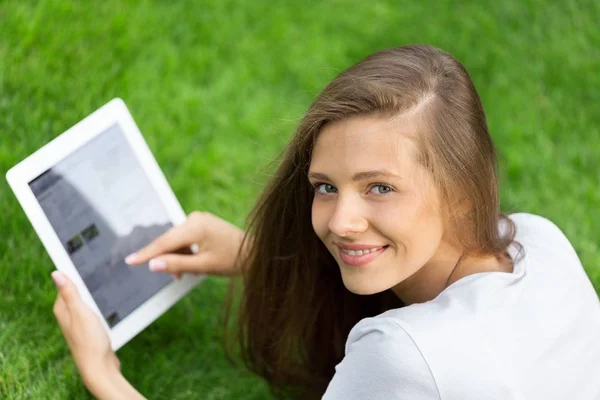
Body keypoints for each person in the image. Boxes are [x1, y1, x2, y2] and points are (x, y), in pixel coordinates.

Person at [51, 45, 600, 399]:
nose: (341, 221)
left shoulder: (402, 352)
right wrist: (255, 254)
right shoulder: (538, 240)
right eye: (326, 187)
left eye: (380, 187)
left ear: (462, 191)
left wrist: (106, 377)